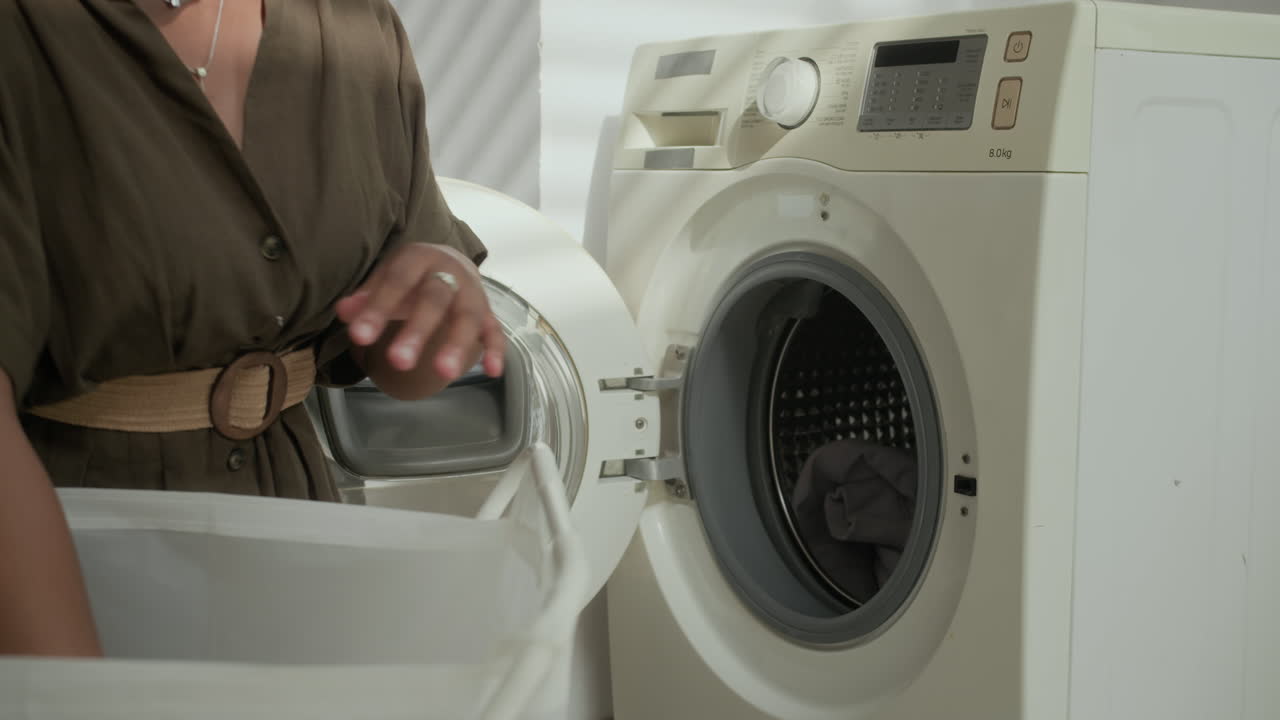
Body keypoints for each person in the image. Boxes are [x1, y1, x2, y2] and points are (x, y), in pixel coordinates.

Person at [0, 0, 505, 657]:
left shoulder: (356, 26)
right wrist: (73, 687)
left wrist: (441, 290)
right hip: (71, 555)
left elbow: (399, 368)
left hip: (294, 542)